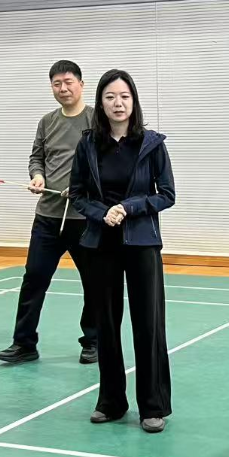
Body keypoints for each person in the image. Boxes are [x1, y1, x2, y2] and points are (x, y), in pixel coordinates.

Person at [69, 69, 174, 432]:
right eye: (110, 96)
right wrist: (103, 213)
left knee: (149, 324)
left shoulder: (152, 144)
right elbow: (77, 194)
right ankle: (111, 402)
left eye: (125, 96)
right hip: (101, 243)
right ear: (100, 102)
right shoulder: (87, 144)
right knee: (106, 324)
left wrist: (129, 207)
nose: (118, 103)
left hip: (142, 242)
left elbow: (167, 194)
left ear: (134, 101)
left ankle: (153, 406)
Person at [0, 60, 98, 366]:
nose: (63, 88)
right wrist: (37, 175)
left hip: (85, 220)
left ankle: (93, 341)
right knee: (34, 279)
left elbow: (108, 164)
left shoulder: (98, 120)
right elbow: (36, 157)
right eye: (57, 84)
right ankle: (24, 343)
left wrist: (82, 188)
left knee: (94, 283)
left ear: (81, 84)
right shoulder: (47, 121)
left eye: (68, 82)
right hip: (47, 218)